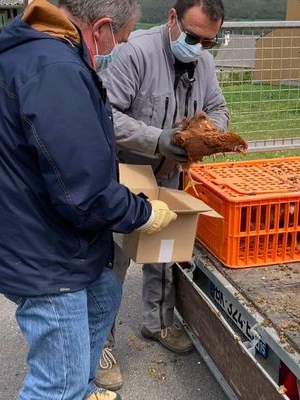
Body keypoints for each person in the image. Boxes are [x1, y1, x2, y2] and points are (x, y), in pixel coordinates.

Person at [0, 0, 178, 399]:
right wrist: (141, 213)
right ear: (100, 27)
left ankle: (84, 390)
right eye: (116, 40)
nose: (111, 50)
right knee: (57, 382)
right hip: (45, 256)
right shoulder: (56, 70)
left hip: (44, 232)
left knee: (105, 294)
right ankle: (73, 389)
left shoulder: (37, 53)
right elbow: (83, 192)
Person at [96, 0, 229, 391]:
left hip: (170, 175)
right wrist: (159, 140)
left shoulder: (203, 62)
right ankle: (100, 344)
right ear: (172, 19)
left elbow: (219, 108)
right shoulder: (135, 53)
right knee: (112, 262)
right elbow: (105, 114)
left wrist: (203, 133)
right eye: (193, 37)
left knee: (164, 253)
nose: (200, 48)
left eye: (209, 41)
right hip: (127, 174)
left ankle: (157, 324)